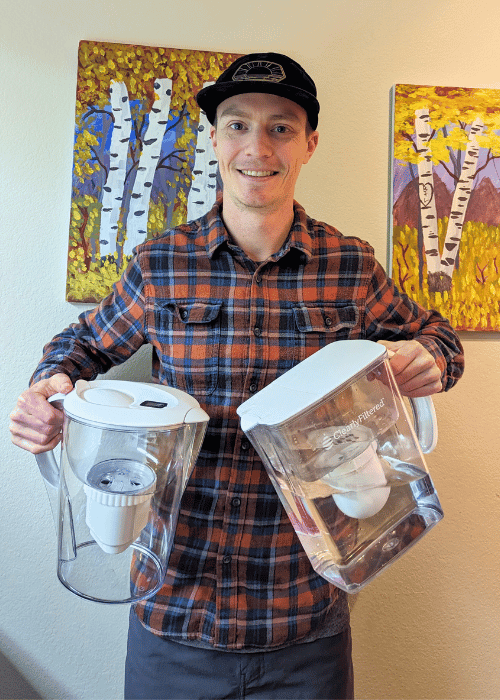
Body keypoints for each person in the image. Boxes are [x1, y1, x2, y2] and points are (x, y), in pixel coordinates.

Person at [10, 52, 464, 699]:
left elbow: (440, 337)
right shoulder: (161, 263)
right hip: (175, 619)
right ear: (215, 139)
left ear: (309, 143)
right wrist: (48, 390)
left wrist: (432, 358)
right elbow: (80, 347)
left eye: (280, 127)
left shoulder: (350, 265)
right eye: (238, 124)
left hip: (307, 622)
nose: (258, 145)